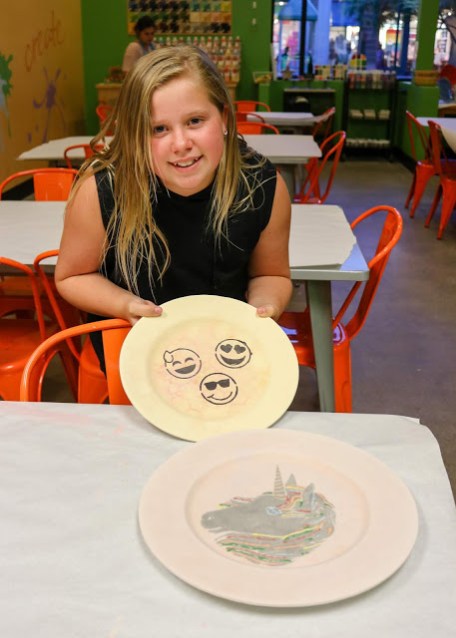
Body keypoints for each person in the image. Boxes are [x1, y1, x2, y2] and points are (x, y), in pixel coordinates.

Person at [55, 45, 292, 370]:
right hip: (131, 349)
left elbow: (270, 273)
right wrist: (125, 304)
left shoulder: (262, 185)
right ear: (135, 135)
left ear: (224, 118)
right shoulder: (101, 190)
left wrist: (264, 306)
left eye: (195, 121)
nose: (181, 144)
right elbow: (73, 275)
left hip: (225, 351)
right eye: (158, 129)